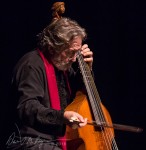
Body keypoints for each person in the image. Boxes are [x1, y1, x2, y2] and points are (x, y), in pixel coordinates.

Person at [6, 17, 93, 150]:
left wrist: (87, 69)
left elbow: (80, 94)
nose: (75, 58)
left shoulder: (63, 67)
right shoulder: (31, 64)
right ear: (53, 47)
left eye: (77, 52)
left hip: (54, 142)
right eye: (71, 52)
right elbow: (27, 107)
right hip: (29, 141)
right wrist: (62, 117)